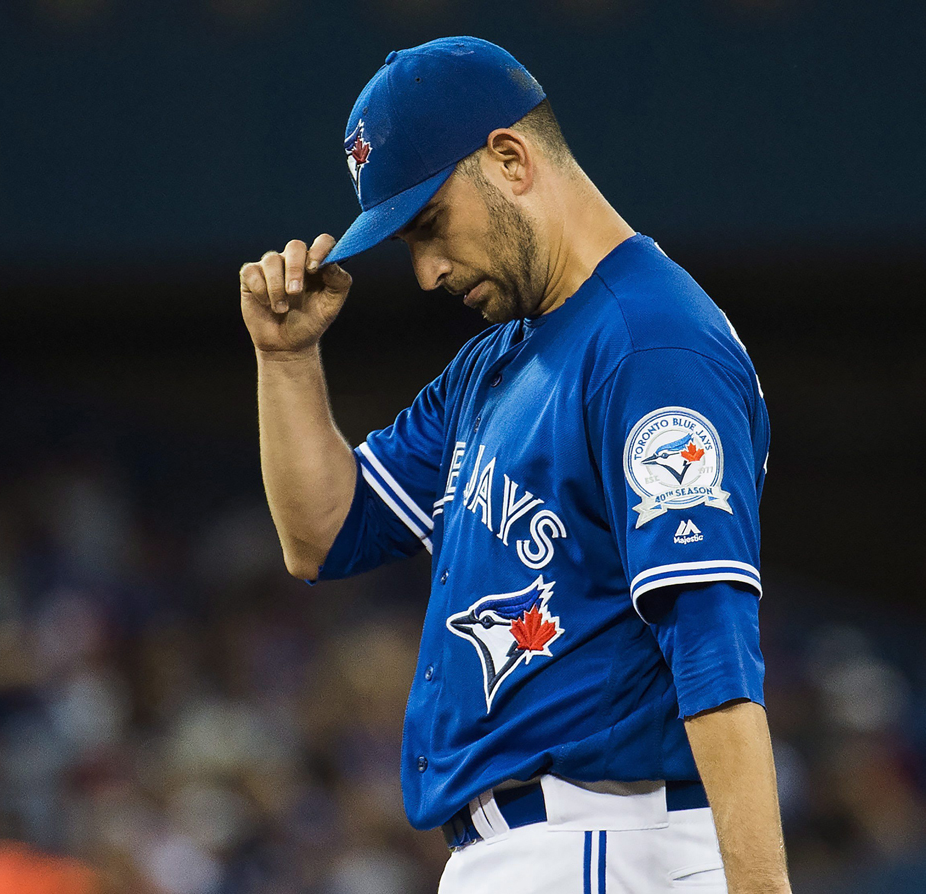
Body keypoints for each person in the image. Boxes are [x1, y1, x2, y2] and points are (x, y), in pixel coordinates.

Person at [239, 36, 791, 894]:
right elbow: (322, 533)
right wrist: (286, 363)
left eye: (429, 226)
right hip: (523, 852)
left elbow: (715, 650)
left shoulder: (650, 344)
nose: (424, 272)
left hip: (608, 842)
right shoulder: (498, 362)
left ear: (509, 158)